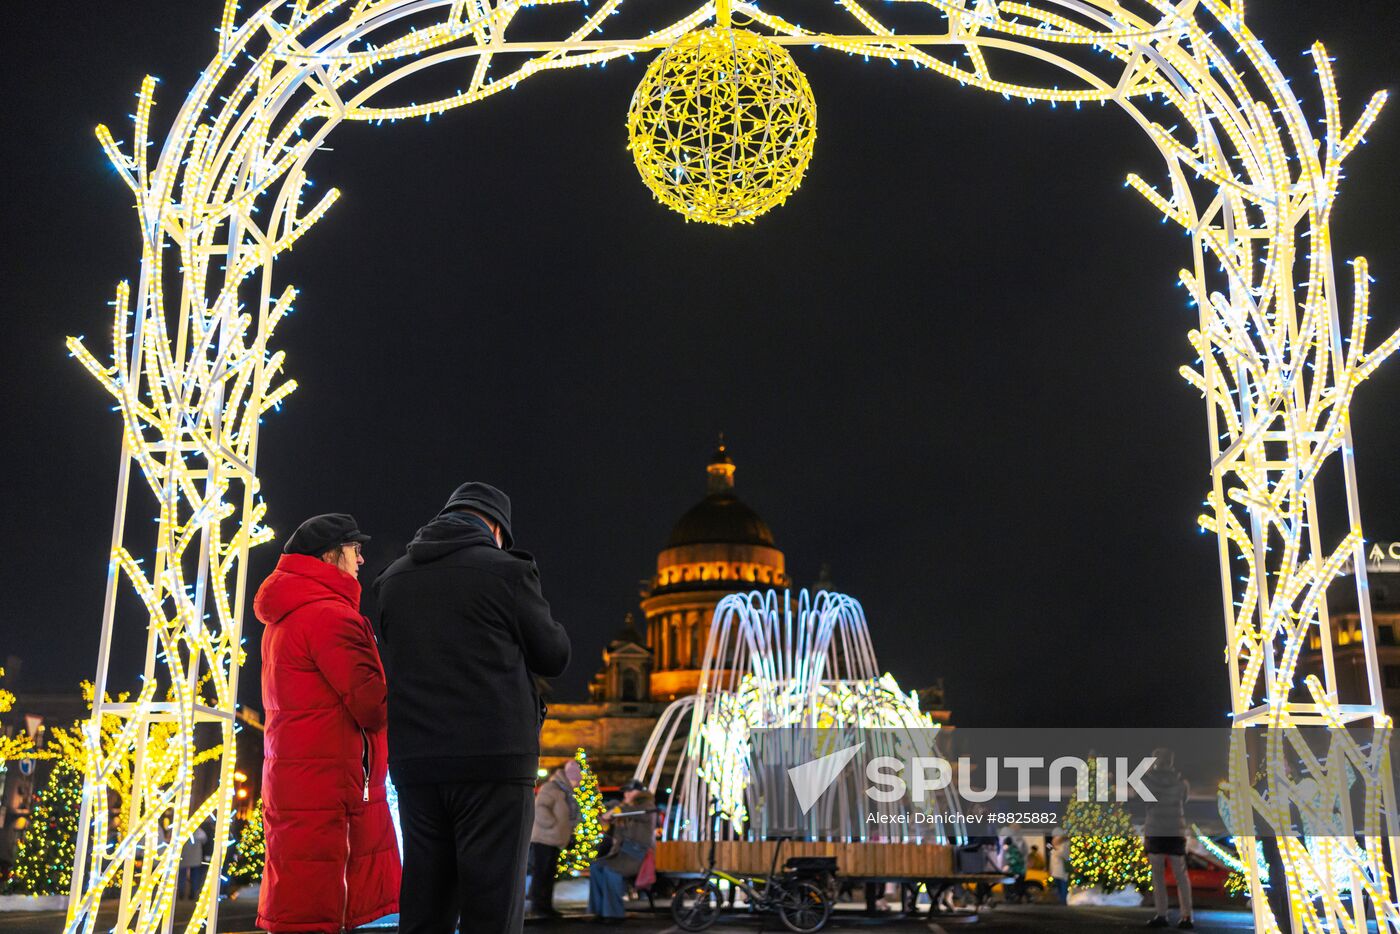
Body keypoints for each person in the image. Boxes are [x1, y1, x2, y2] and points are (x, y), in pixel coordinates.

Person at [375, 482, 570, 934]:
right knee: (492, 907)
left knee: (425, 904)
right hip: (493, 762)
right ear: (496, 528)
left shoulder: (391, 581)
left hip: (417, 764)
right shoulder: (508, 572)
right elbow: (554, 657)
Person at [254, 513, 400, 933]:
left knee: (299, 902)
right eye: (355, 550)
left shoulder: (286, 616)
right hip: (331, 786)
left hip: (295, 778)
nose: (361, 559)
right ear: (330, 556)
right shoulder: (331, 618)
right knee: (325, 906)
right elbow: (372, 707)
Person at [588, 779, 657, 922]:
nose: (626, 794)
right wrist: (604, 810)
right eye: (625, 791)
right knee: (596, 867)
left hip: (638, 854)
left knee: (611, 871)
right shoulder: (624, 806)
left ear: (639, 792)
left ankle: (614, 914)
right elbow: (610, 811)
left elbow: (634, 813)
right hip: (621, 853)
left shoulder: (646, 806)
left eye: (630, 791)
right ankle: (599, 910)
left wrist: (616, 811)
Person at [1141, 747, 1193, 930]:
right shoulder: (1181, 783)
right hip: (1175, 832)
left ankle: (1161, 914)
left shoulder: (1147, 782)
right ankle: (1187, 916)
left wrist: (1147, 766)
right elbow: (1184, 801)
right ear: (1172, 762)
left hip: (1156, 831)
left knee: (1158, 876)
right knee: (1181, 876)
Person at [527, 760, 583, 918]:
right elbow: (540, 808)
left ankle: (545, 906)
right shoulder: (552, 788)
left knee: (548, 874)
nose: (578, 783)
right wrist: (554, 825)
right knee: (542, 874)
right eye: (577, 780)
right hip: (544, 839)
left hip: (555, 839)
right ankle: (539, 907)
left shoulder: (566, 791)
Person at [177, 823, 208, 899]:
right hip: (196, 857)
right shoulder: (199, 832)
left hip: (183, 857)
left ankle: (181, 893)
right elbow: (204, 840)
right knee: (195, 876)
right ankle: (193, 893)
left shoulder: (181, 831)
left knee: (182, 876)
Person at [1049, 831, 1070, 904]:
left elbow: (1063, 854)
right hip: (1056, 871)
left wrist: (1053, 850)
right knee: (1058, 885)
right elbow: (1052, 861)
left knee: (1063, 885)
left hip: (1062, 869)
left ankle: (1063, 901)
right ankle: (1061, 900)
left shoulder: (1065, 844)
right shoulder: (1054, 848)